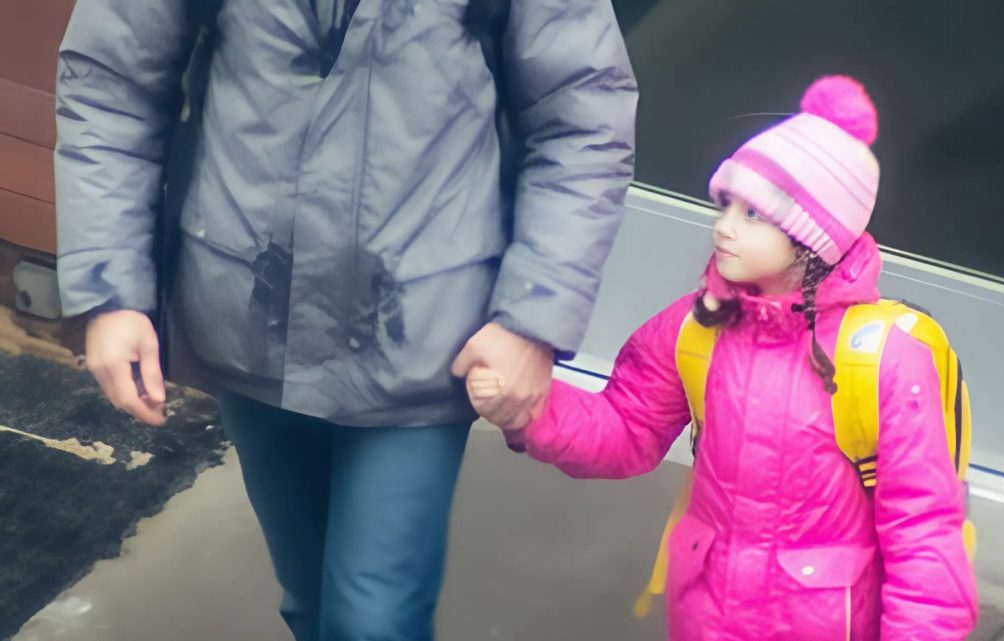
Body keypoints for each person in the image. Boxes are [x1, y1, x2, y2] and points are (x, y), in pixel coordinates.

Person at [53, 1, 637, 639]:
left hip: (418, 337)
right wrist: (112, 291)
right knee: (310, 602)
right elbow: (112, 86)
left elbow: (582, 123)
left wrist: (532, 318)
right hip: (246, 315)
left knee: (371, 621)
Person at [466, 76, 979, 640]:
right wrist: (530, 411)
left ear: (812, 239)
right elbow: (625, 428)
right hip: (707, 619)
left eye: (753, 214)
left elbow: (924, 536)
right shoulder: (698, 327)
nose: (724, 226)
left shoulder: (883, 357)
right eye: (726, 204)